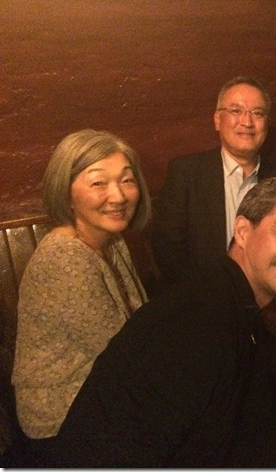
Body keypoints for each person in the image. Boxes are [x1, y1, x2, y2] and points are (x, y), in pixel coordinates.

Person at [17, 177, 276, 467]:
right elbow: (136, 447)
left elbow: (248, 414)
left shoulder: (231, 301)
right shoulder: (201, 319)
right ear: (243, 231)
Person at [11, 129, 152, 443]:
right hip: (62, 418)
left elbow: (139, 331)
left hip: (109, 392)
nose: (118, 196)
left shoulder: (111, 239)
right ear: (66, 194)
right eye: (99, 183)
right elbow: (121, 355)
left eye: (127, 180)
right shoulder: (65, 257)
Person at [152, 75, 276, 284]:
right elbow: (167, 249)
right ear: (217, 120)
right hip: (201, 293)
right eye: (236, 111)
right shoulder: (186, 173)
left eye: (257, 113)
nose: (247, 122)